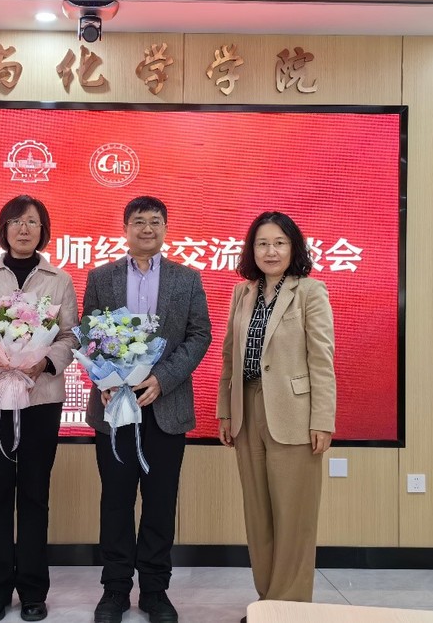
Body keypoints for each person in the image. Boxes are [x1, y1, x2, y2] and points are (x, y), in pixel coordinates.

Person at [83, 196, 212, 623]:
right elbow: (88, 335)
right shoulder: (101, 277)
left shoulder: (187, 278)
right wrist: (104, 381)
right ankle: (115, 589)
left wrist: (162, 378)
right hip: (114, 409)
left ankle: (155, 590)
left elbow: (199, 335)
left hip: (165, 408)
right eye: (138, 221)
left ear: (165, 228)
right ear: (125, 229)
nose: (147, 229)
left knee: (160, 503)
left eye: (155, 221)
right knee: (115, 503)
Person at [0, 195, 79, 623]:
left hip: (40, 399)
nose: (23, 229)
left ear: (43, 231)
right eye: (15, 221)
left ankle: (32, 591)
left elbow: (70, 336)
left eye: (32, 222)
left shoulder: (59, 280)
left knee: (34, 494)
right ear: (3, 229)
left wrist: (45, 362)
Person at [217, 211, 336, 621]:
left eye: (280, 243)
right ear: (252, 250)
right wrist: (224, 412)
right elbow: (229, 357)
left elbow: (322, 360)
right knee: (259, 515)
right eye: (263, 243)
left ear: (293, 248)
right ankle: (268, 602)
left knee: (293, 517)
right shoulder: (243, 292)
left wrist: (322, 419)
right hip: (247, 410)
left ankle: (292, 607)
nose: (271, 251)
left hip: (294, 414)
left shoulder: (310, 291)